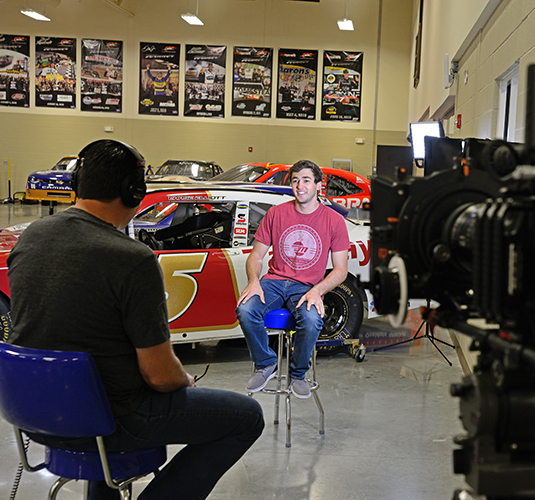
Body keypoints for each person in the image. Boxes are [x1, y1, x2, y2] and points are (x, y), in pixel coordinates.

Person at [7, 139, 264, 500]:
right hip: (112, 419)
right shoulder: (132, 259)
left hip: (35, 414)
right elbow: (159, 376)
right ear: (134, 191)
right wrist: (184, 380)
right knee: (247, 417)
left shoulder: (31, 238)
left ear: (77, 184)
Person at [236, 160, 349, 399]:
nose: (300, 186)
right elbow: (256, 256)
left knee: (311, 320)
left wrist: (318, 290)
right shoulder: (276, 214)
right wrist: (253, 281)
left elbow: (341, 270)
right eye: (295, 180)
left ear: (319, 185)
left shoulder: (334, 221)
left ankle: (298, 373)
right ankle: (266, 363)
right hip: (274, 282)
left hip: (307, 287)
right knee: (245, 310)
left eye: (306, 180)